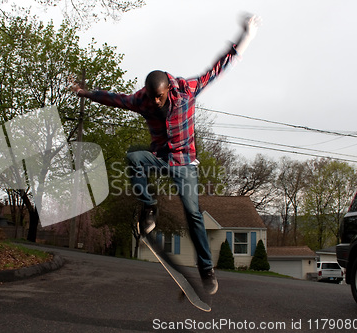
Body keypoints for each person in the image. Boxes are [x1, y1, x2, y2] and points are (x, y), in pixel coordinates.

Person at [70, 15, 261, 295]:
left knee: (193, 214)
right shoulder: (142, 99)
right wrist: (85, 93)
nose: (155, 102)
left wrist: (247, 37)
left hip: (185, 164)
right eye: (152, 97)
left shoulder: (186, 91)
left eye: (159, 97)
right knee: (134, 158)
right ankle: (149, 207)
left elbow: (218, 69)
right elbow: (114, 98)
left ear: (168, 90)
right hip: (159, 157)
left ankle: (206, 269)